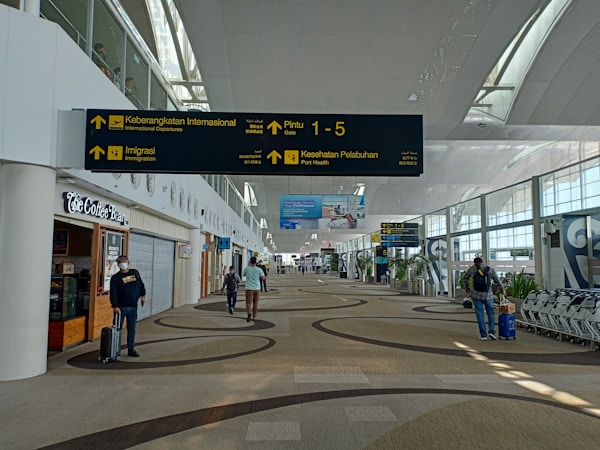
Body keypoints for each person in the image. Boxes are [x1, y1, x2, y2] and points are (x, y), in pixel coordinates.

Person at [109, 255, 147, 357]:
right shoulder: (115, 278)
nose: (123, 263)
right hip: (120, 308)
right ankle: (115, 350)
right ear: (118, 264)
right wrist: (115, 306)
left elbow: (140, 285)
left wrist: (143, 295)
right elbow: (113, 293)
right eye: (120, 262)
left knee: (132, 329)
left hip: (133, 307)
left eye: (124, 261)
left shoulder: (135, 273)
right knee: (117, 329)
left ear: (128, 262)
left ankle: (131, 349)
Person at [463, 257, 504, 341]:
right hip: (488, 296)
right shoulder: (490, 269)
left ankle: (483, 335)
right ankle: (491, 332)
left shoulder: (472, 269)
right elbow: (498, 281)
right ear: (483, 262)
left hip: (476, 295)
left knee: (480, 314)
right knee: (490, 313)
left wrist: (467, 289)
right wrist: (502, 291)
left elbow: (465, 278)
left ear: (474, 263)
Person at [243, 256, 265, 322]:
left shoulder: (246, 269)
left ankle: (249, 313)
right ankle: (254, 317)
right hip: (257, 288)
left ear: (250, 262)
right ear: (256, 262)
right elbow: (263, 278)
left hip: (249, 288)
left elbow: (244, 275)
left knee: (248, 303)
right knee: (255, 303)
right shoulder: (259, 269)